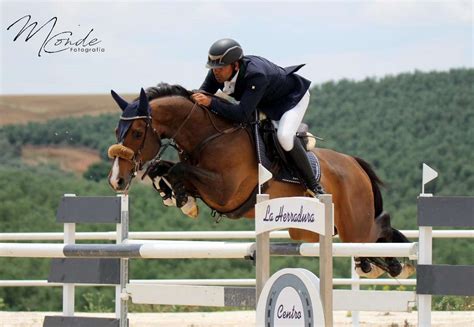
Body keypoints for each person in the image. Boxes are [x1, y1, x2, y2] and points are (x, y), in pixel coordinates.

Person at [191, 38, 321, 196]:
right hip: (263, 102)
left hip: (290, 100)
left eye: (220, 68)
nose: (216, 71)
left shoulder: (255, 75)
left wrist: (211, 103)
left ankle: (314, 186)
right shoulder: (216, 73)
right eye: (213, 68)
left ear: (236, 65)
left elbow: (240, 114)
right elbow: (201, 95)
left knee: (284, 137)